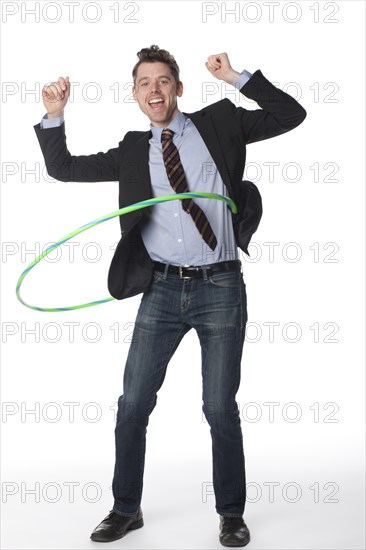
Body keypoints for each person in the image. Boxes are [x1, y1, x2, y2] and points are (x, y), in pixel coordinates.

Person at [34, 46, 306, 547]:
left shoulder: (221, 124)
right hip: (159, 289)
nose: (154, 91)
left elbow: (292, 114)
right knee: (133, 403)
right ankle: (125, 509)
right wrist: (55, 116)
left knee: (220, 407)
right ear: (136, 94)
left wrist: (236, 77)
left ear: (178, 88)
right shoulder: (134, 150)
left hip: (221, 286)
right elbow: (64, 169)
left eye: (163, 81)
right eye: (144, 84)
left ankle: (230, 514)